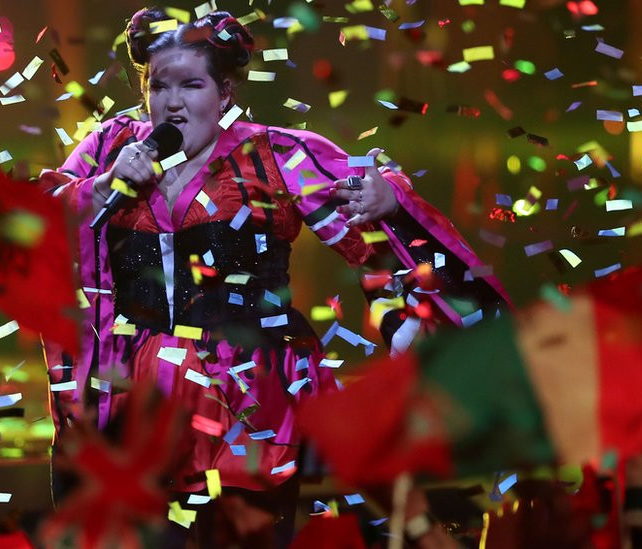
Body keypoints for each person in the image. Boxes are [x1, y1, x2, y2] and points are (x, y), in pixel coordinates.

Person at [38, 7, 509, 546]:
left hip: (250, 388)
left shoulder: (276, 154)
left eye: (191, 84)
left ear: (225, 92)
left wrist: (386, 196)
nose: (172, 101)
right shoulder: (110, 146)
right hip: (138, 392)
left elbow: (370, 196)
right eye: (159, 85)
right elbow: (30, 223)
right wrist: (102, 187)